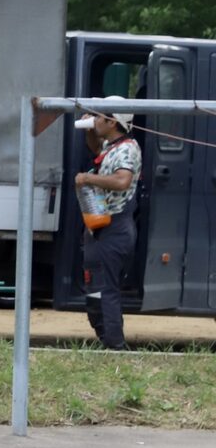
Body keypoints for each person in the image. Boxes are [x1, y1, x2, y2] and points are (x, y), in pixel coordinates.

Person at [73, 96, 140, 350]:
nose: (94, 119)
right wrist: (90, 128)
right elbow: (95, 148)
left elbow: (122, 180)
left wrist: (87, 179)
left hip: (114, 228)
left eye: (98, 116)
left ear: (112, 121)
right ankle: (104, 338)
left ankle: (115, 348)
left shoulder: (128, 149)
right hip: (98, 226)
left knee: (106, 290)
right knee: (94, 288)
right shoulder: (111, 145)